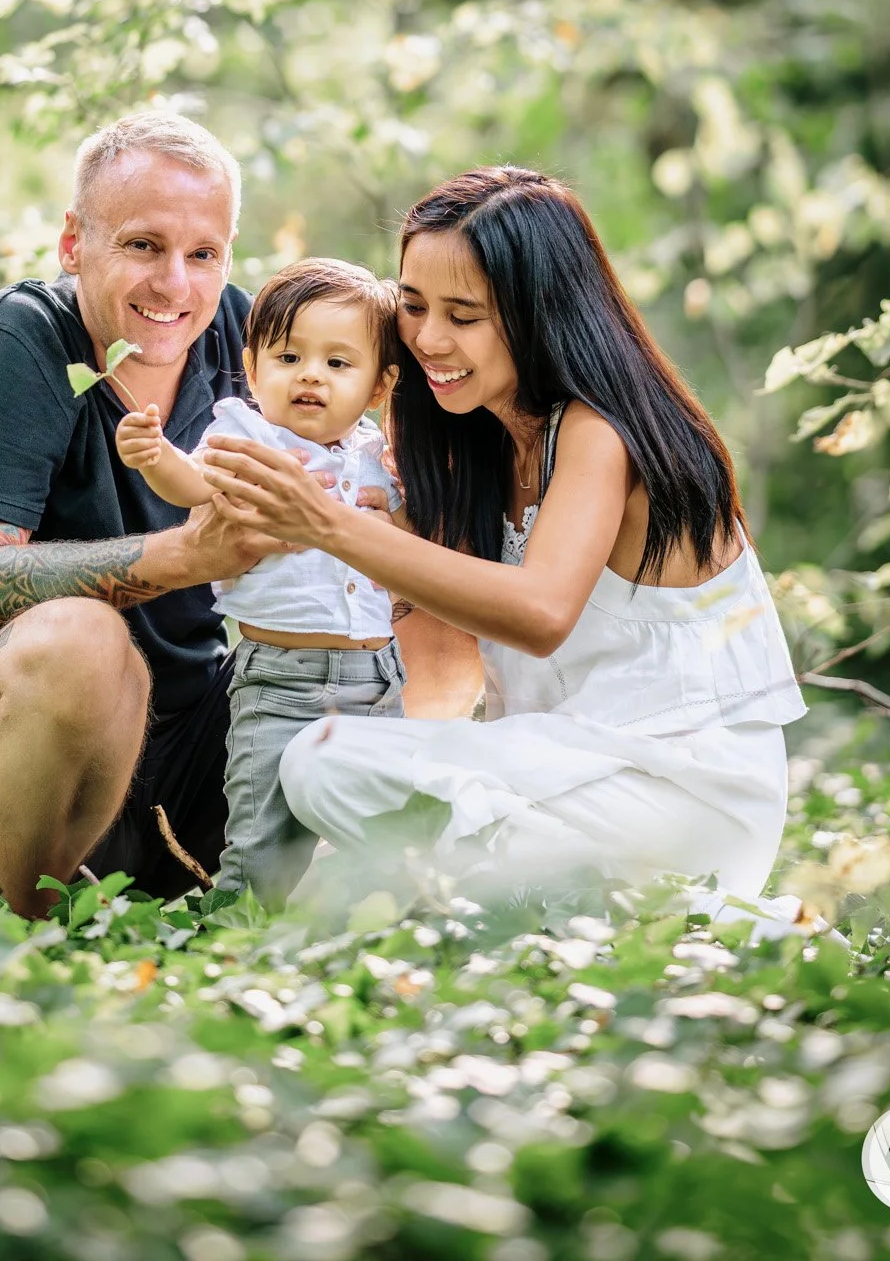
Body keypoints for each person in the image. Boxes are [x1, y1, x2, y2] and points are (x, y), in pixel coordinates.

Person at [201, 166, 808, 904]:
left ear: (537, 312)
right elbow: (443, 667)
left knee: (329, 781)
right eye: (415, 307)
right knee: (321, 762)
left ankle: (656, 908)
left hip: (678, 791)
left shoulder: (598, 433)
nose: (428, 338)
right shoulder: (474, 443)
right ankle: (511, 901)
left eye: (464, 315)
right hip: (548, 777)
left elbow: (542, 614)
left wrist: (329, 526)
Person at [0, 113, 273, 917]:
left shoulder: (247, 339)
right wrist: (185, 556)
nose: (176, 283)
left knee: (400, 612)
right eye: (143, 245)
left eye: (203, 253)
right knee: (82, 638)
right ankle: (29, 944)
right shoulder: (19, 343)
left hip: (173, 770)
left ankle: (353, 888)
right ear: (75, 243)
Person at [117, 258, 405, 904]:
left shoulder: (373, 454)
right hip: (282, 680)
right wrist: (155, 456)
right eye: (289, 356)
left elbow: (403, 542)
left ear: (379, 385)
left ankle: (366, 935)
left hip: (381, 680)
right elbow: (194, 483)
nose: (310, 374)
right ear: (253, 368)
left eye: (338, 363)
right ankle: (238, 939)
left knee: (381, 830)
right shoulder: (245, 435)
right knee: (265, 837)